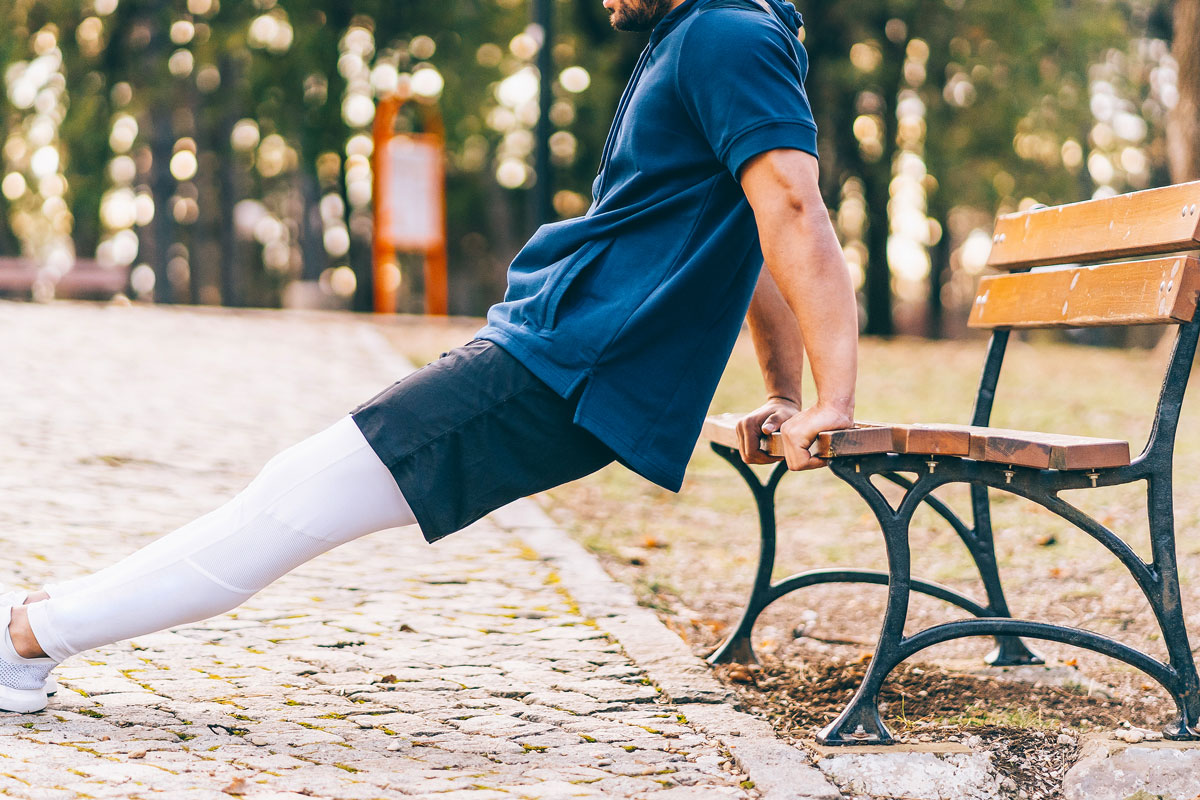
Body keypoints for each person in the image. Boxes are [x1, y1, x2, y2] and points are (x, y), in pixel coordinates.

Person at [0, 0, 856, 714]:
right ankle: (34, 627)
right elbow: (749, 226)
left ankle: (23, 646)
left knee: (286, 507)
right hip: (556, 359)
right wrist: (784, 389)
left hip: (559, 367)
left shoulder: (725, 35)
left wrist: (831, 399)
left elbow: (787, 206)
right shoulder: (718, 32)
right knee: (288, 496)